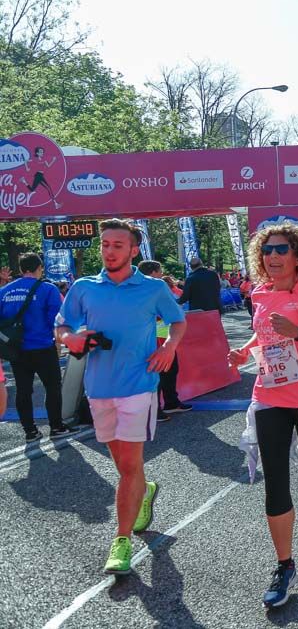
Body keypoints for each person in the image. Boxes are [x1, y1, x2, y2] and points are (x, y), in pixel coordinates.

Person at [55, 219, 186, 575]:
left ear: (133, 250)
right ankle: (144, 489)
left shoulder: (153, 288)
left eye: (117, 245)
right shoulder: (84, 287)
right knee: (123, 463)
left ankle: (122, 540)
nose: (109, 251)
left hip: (138, 385)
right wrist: (70, 339)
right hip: (98, 388)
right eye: (105, 244)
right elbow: (62, 325)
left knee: (128, 465)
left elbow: (177, 321)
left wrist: (170, 348)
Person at [227, 223, 298, 609]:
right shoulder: (259, 294)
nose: (273, 257)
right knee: (275, 483)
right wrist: (246, 351)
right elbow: (264, 335)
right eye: (267, 251)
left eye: (281, 250)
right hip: (270, 396)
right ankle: (284, 565)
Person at [0, 252, 75, 442]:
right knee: (52, 388)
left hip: (16, 349)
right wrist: (59, 344)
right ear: (39, 268)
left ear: (21, 269)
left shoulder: (5, 291)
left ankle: (30, 431)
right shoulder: (48, 289)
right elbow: (56, 321)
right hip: (42, 347)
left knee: (23, 390)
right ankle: (56, 427)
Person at [138, 260, 193, 422]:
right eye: (160, 271)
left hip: (165, 337)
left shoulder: (157, 287)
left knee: (171, 370)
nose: (162, 274)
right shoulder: (143, 289)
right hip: (151, 339)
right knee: (157, 375)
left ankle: (171, 402)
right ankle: (153, 410)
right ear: (153, 272)